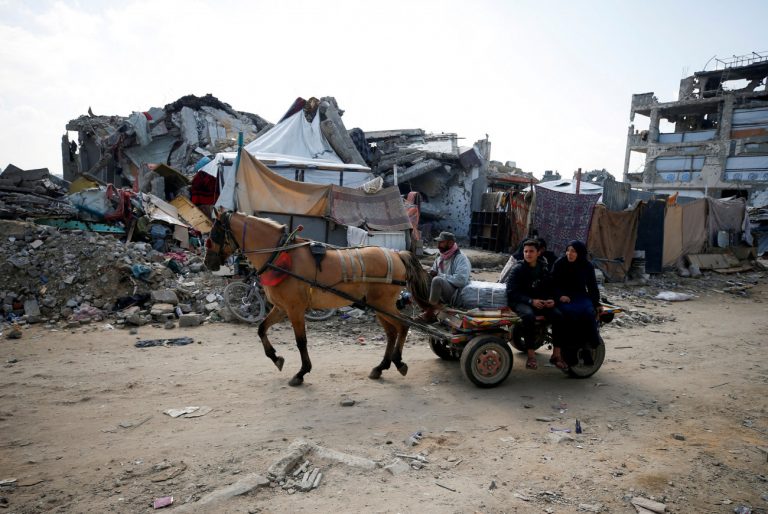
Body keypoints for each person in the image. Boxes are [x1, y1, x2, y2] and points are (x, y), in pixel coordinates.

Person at [506, 239, 566, 370]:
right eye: (525, 251)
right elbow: (511, 292)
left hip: (540, 301)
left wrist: (552, 300)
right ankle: (531, 356)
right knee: (528, 316)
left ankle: (556, 356)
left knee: (558, 316)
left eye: (531, 251)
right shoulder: (517, 269)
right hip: (521, 302)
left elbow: (550, 287)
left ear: (538, 253)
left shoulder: (543, 268)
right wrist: (531, 301)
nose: (528, 254)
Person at [552, 240, 601, 366]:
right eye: (568, 250)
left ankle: (587, 348)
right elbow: (551, 283)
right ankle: (571, 352)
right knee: (570, 314)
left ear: (580, 253)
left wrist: (596, 303)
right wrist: (559, 296)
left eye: (573, 251)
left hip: (580, 296)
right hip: (563, 297)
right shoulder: (560, 263)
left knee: (588, 312)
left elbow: (592, 286)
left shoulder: (587, 266)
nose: (570, 254)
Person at [418, 231, 471, 322]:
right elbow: (433, 272)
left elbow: (461, 280)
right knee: (422, 279)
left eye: (441, 242)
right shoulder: (440, 257)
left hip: (456, 293)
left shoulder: (461, 258)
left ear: (450, 243)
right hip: (442, 290)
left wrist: (439, 275)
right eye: (438, 242)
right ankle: (428, 307)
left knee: (437, 280)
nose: (438, 245)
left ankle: (430, 312)